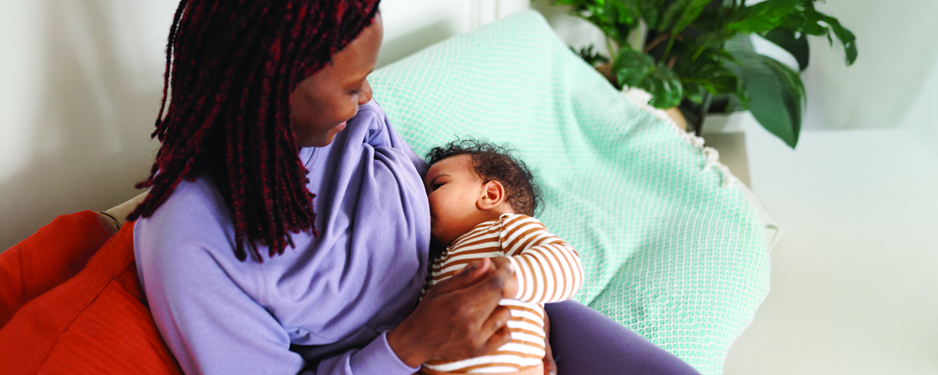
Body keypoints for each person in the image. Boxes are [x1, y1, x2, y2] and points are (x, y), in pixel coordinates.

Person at [129, 1, 701, 374]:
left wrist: (532, 330)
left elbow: (450, 214)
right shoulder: (189, 237)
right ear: (271, 84)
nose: (370, 101)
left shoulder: (351, 123)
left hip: (502, 315)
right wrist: (411, 345)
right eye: (353, 86)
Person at [419, 140, 582, 375]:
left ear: (490, 194)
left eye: (437, 185)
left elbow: (567, 264)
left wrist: (509, 277)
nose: (422, 198)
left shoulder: (506, 229)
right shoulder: (432, 259)